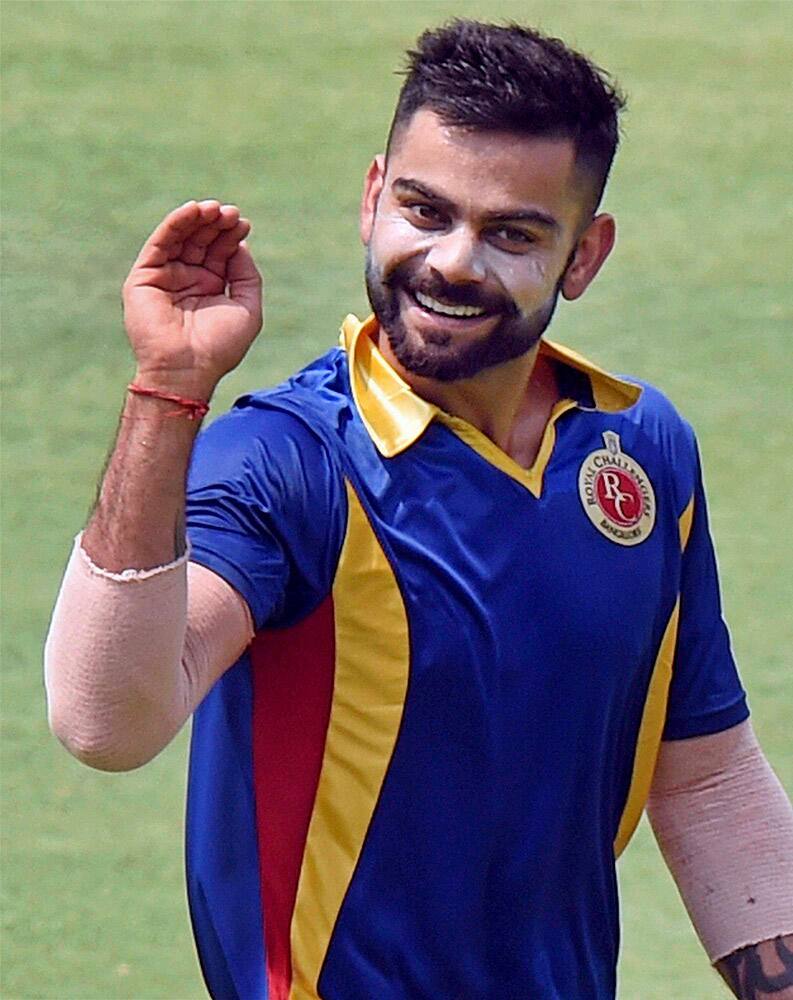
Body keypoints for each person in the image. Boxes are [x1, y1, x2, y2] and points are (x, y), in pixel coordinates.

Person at [45, 20, 793, 1000]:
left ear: (584, 255)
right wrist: (167, 392)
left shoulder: (639, 456)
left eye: (511, 233)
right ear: (371, 198)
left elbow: (705, 777)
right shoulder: (286, 460)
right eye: (423, 210)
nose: (450, 261)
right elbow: (106, 720)